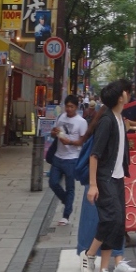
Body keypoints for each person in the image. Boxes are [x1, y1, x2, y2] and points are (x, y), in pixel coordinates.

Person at [82, 79, 132, 272]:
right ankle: (89, 254)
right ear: (121, 97)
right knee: (110, 219)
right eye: (126, 92)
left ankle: (103, 271)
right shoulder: (107, 121)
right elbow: (95, 155)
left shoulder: (119, 119)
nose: (129, 94)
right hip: (105, 178)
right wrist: (93, 185)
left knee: (118, 223)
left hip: (117, 178)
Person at [49, 93, 87, 225]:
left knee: (70, 187)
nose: (69, 109)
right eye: (67, 106)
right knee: (53, 183)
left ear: (76, 107)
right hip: (58, 156)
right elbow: (54, 133)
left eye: (72, 106)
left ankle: (66, 215)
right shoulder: (61, 117)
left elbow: (82, 141)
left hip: (72, 158)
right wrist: (54, 133)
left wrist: (69, 142)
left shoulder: (81, 122)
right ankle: (66, 200)